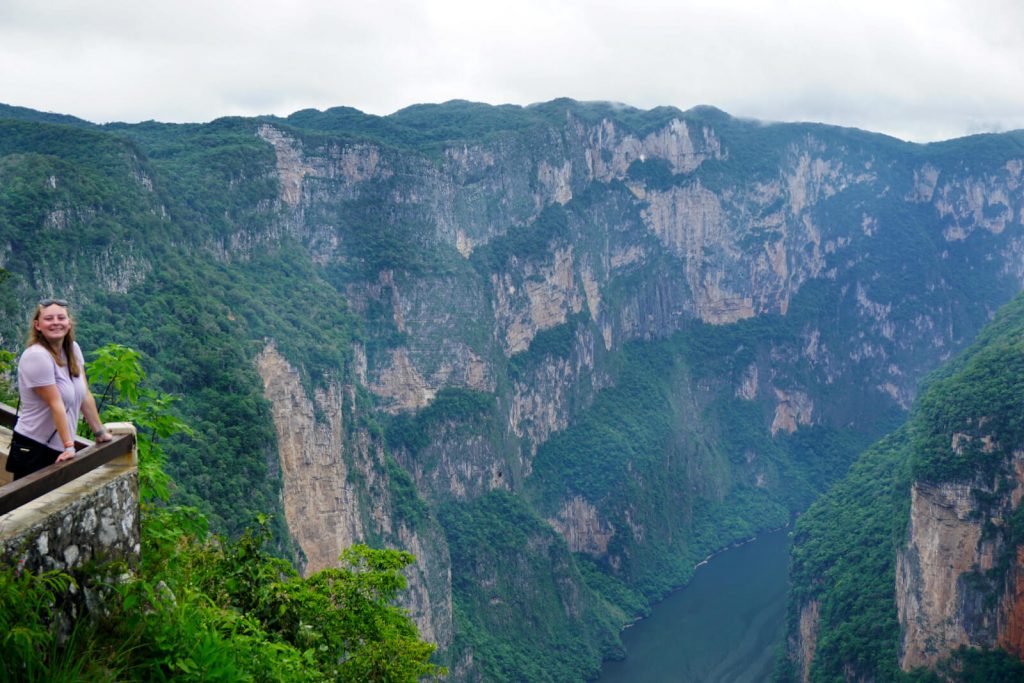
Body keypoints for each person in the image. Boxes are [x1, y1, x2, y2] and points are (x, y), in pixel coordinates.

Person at [7, 298, 112, 480]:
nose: (56, 322)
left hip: (57, 446)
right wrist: (69, 445)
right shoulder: (37, 356)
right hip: (34, 445)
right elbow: (56, 403)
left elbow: (84, 396)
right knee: (28, 502)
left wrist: (99, 432)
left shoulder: (72, 349)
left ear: (69, 323)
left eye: (61, 318)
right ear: (37, 325)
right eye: (49, 319)